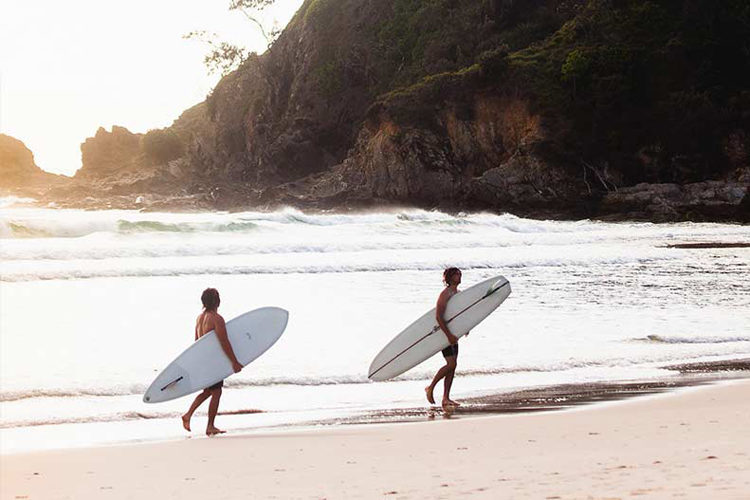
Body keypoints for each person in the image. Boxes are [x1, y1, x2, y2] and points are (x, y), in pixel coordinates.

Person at [181, 288, 243, 436]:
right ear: (217, 301)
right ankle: (210, 426)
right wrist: (234, 361)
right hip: (211, 362)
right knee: (216, 391)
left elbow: (196, 342)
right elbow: (224, 341)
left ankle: (188, 415)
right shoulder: (217, 318)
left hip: (203, 360)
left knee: (209, 391)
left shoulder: (200, 318)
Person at [425, 267, 464, 408]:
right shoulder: (445, 294)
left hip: (454, 335)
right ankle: (430, 387)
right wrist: (448, 335)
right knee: (451, 364)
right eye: (456, 274)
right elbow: (438, 316)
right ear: (449, 277)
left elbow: (460, 315)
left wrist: (466, 328)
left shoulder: (458, 294)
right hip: (445, 334)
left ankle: (446, 398)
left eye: (460, 274)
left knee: (452, 367)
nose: (459, 276)